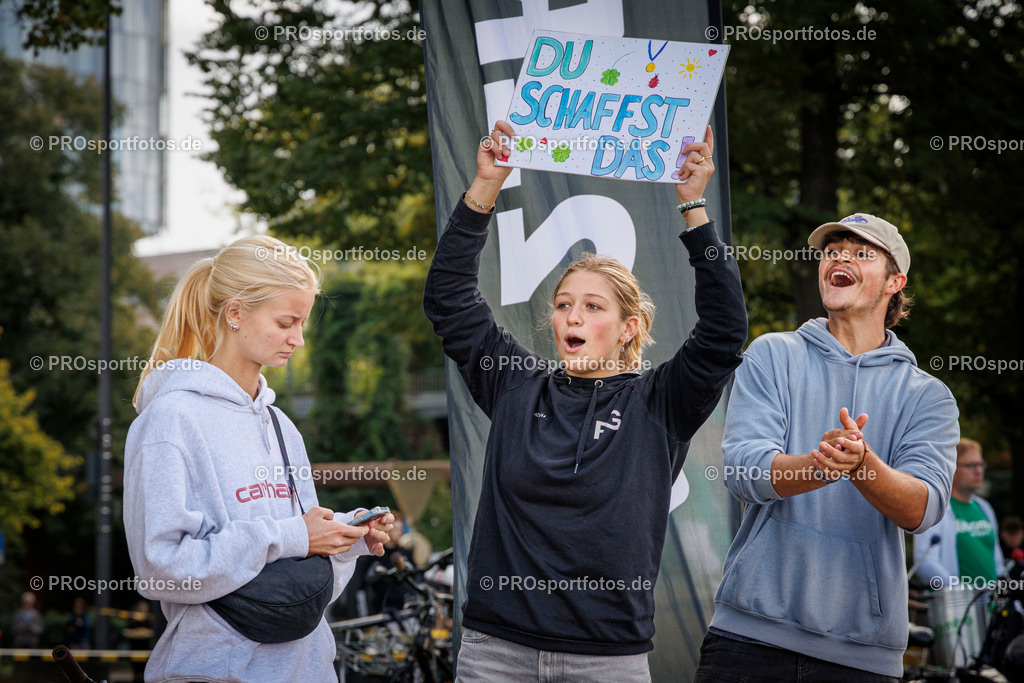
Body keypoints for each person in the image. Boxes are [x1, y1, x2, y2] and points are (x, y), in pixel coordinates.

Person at [424, 121, 746, 682]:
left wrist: (693, 208)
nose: (573, 316)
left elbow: (723, 333)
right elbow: (449, 300)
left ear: (629, 327)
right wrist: (485, 189)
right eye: (564, 303)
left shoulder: (659, 400)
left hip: (609, 658)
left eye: (594, 306)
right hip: (496, 652)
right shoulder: (516, 384)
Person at [695, 214, 959, 682]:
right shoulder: (772, 354)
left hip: (862, 659)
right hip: (747, 641)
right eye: (832, 250)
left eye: (862, 253)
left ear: (895, 282)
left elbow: (924, 507)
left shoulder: (928, 396)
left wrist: (862, 466)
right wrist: (820, 467)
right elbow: (743, 472)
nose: (839, 257)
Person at [123, 234, 395, 682]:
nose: (299, 340)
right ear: (235, 314)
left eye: (302, 323)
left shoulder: (281, 425)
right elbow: (161, 571)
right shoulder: (170, 420)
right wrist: (292, 536)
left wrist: (348, 536)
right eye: (287, 322)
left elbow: (299, 577)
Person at [913, 438, 1003, 588]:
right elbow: (925, 563)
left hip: (991, 604)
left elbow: (996, 559)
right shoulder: (936, 508)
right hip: (958, 606)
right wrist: (959, 590)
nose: (978, 471)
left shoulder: (985, 508)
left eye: (981, 464)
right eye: (971, 465)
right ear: (951, 468)